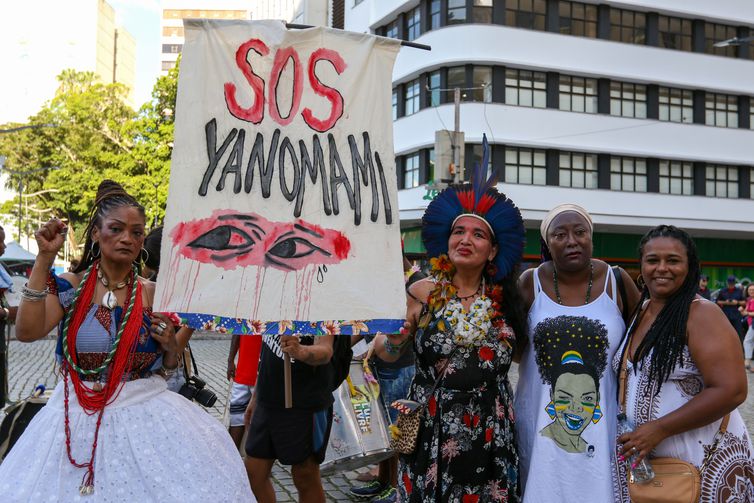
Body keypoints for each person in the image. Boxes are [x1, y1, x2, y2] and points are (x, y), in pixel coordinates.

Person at [0, 180, 253, 501]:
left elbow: (170, 364)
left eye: (136, 232)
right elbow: (27, 332)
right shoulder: (71, 288)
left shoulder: (152, 294)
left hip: (148, 421)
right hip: (76, 419)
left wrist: (171, 348)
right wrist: (44, 259)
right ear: (95, 233)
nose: (127, 238)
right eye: (116, 229)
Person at [374, 144, 527, 502]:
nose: (465, 239)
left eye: (478, 234)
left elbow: (523, 357)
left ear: (492, 250)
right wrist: (401, 335)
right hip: (433, 428)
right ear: (447, 241)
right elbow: (385, 352)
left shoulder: (508, 304)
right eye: (459, 231)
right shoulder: (422, 293)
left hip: (491, 431)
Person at [614, 225, 754, 502]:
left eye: (673, 261)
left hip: (703, 464)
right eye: (653, 260)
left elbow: (732, 389)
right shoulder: (641, 310)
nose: (661, 268)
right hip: (655, 468)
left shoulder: (701, 313)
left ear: (690, 267)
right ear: (641, 265)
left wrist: (660, 428)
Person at [514, 204, 641, 502]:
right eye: (560, 234)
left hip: (603, 423)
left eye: (580, 232)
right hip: (539, 417)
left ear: (591, 237)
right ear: (547, 243)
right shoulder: (529, 283)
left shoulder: (617, 281)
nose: (571, 240)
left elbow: (639, 348)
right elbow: (517, 351)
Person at [349, 257, 421, 503]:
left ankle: (396, 487)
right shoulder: (384, 281)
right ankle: (383, 481)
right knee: (384, 432)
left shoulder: (415, 283)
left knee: (397, 431)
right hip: (378, 367)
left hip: (401, 369)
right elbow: (370, 323)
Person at [244, 331, 334, 502]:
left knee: (304, 476)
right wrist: (256, 395)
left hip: (305, 403)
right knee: (253, 474)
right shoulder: (271, 306)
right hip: (267, 400)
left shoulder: (322, 307)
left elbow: (326, 351)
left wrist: (300, 351)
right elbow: (266, 352)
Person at [227, 331, 262, 449]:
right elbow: (237, 329)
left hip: (262, 375)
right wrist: (230, 360)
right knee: (236, 419)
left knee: (260, 423)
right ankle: (232, 458)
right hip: (242, 372)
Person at [741, 284, 754, 372]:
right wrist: (742, 310)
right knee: (750, 342)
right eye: (750, 290)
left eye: (753, 290)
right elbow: (745, 312)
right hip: (750, 323)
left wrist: (747, 313)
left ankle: (747, 362)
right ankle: (748, 364)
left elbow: (748, 313)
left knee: (747, 341)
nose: (751, 291)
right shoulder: (749, 300)